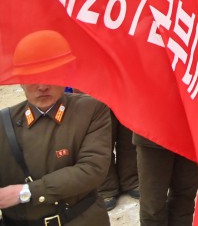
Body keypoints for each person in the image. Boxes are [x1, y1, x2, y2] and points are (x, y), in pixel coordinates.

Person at [0, 30, 113, 225]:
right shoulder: (4, 123)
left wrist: (26, 192)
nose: (42, 85)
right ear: (19, 80)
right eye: (33, 76)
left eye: (50, 74)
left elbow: (92, 169)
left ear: (67, 72)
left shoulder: (91, 110)